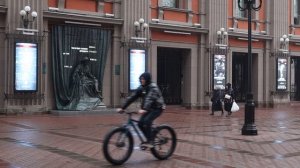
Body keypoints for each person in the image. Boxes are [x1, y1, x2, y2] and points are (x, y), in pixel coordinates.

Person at [117, 72, 166, 148]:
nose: (141, 80)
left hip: (157, 108)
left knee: (147, 121)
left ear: (147, 79)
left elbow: (149, 99)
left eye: (143, 79)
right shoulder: (141, 88)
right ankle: (149, 139)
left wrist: (144, 109)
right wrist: (123, 108)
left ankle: (150, 141)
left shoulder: (153, 87)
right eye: (140, 79)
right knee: (140, 124)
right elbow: (132, 97)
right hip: (148, 109)